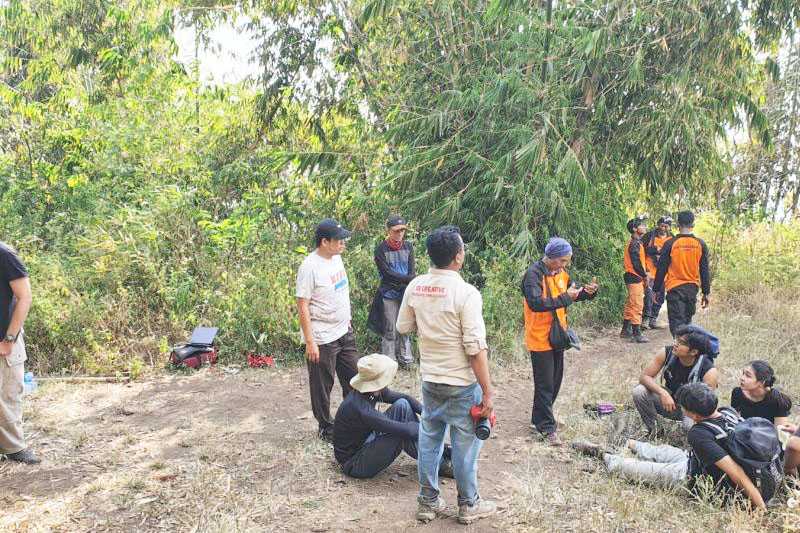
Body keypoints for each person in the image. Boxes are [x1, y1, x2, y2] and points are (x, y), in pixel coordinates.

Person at [396, 226, 496, 525]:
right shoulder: (466, 293)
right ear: (458, 256)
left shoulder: (416, 286)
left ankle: (427, 502)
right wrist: (488, 393)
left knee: (430, 440)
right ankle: (468, 505)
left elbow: (403, 327)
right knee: (465, 447)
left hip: (431, 379)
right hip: (462, 384)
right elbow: (476, 349)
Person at [572, 383, 768, 510]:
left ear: (695, 415)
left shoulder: (699, 434)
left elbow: (737, 473)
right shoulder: (727, 412)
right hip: (696, 461)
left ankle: (605, 456)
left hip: (691, 477)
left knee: (636, 469)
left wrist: (761, 510)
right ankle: (631, 444)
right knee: (667, 451)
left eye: (683, 407)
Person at [521, 237, 598, 446]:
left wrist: (586, 293)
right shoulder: (533, 275)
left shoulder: (562, 274)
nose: (566, 265)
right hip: (539, 337)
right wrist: (567, 298)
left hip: (557, 335)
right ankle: (546, 428)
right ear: (552, 258)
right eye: (563, 261)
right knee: (545, 383)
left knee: (555, 380)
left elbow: (568, 295)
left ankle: (540, 419)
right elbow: (536, 303)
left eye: (567, 261)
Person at [333, 353, 453, 479]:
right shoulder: (361, 408)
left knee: (403, 405)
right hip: (354, 463)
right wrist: (435, 426)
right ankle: (439, 463)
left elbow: (405, 398)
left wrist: (427, 414)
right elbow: (408, 430)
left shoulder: (370, 392)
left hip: (367, 439)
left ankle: (436, 454)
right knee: (401, 433)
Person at [296, 218, 360, 443]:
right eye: (338, 239)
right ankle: (326, 426)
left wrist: (348, 318)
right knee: (322, 385)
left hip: (344, 331)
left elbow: (342, 291)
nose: (343, 243)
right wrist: (310, 341)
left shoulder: (337, 259)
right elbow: (302, 304)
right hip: (322, 337)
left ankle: (354, 420)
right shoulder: (309, 267)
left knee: (354, 379)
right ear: (324, 241)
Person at [633, 324, 719, 437]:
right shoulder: (666, 353)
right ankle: (655, 432)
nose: (676, 344)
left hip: (691, 409)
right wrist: (663, 393)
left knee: (690, 427)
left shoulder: (709, 370)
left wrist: (691, 416)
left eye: (682, 343)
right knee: (639, 391)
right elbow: (644, 377)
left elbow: (707, 406)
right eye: (676, 339)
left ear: (693, 352)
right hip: (669, 402)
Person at [0, 241, 38, 464]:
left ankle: (14, 448)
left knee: (7, 395)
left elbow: (25, 297)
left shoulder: (4, 254)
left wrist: (9, 339)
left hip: (5, 340)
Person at [367, 215, 415, 367]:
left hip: (404, 293)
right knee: (389, 329)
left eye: (402, 230)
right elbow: (386, 273)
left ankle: (406, 360)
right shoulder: (380, 249)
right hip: (388, 294)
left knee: (404, 326)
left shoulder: (408, 246)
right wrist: (408, 279)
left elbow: (412, 270)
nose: (400, 233)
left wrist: (408, 281)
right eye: (397, 230)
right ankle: (389, 363)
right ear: (389, 231)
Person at [653, 211, 711, 336]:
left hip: (675, 289)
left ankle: (680, 351)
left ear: (678, 225)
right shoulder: (700, 244)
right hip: (692, 289)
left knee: (677, 327)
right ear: (693, 225)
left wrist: (656, 289)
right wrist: (706, 292)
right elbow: (705, 270)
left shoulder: (670, 243)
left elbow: (661, 268)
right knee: (687, 323)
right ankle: (685, 352)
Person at [730, 360, 791, 426]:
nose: (742, 378)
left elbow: (780, 432)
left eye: (748, 376)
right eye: (743, 374)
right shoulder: (738, 393)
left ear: (762, 382)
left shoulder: (777, 400)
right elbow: (734, 422)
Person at [641, 216, 673, 329]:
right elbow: (641, 250)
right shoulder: (649, 236)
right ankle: (645, 319)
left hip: (663, 273)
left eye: (666, 226)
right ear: (658, 225)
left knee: (660, 296)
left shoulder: (672, 239)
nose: (663, 228)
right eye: (661, 225)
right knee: (648, 295)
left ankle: (653, 319)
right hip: (649, 271)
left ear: (669, 227)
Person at [620, 218, 649, 343]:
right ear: (634, 229)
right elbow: (636, 263)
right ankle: (636, 333)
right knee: (637, 304)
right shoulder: (634, 243)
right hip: (634, 275)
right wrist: (644, 275)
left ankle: (625, 330)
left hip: (633, 275)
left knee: (631, 303)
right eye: (642, 225)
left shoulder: (636, 242)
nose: (645, 226)